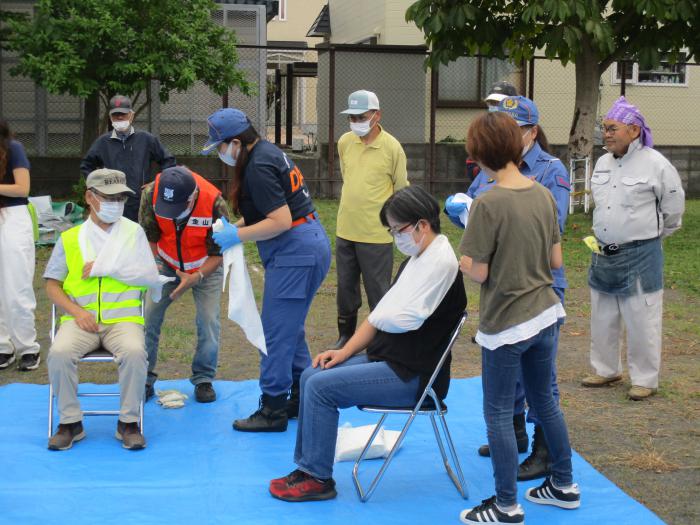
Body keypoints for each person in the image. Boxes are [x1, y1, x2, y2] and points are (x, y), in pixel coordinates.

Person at [268, 185, 466, 502]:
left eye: (397, 230)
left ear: (422, 226)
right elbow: (379, 316)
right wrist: (344, 351)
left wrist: (378, 321)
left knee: (320, 388)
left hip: (414, 378)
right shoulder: (418, 259)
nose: (395, 238)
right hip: (391, 362)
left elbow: (399, 318)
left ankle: (319, 479)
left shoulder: (441, 265)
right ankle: (307, 468)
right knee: (310, 374)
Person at [459, 112, 579, 525]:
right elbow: (556, 259)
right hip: (546, 313)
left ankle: (506, 504)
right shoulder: (542, 192)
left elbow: (478, 271)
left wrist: (458, 257)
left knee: (496, 412)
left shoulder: (488, 202)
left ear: (478, 154)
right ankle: (564, 485)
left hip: (507, 322)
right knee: (545, 402)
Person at [204, 108, 331, 432]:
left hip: (295, 251)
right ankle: (302, 395)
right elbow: (270, 209)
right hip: (304, 245)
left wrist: (237, 235)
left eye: (219, 147)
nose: (220, 154)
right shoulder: (267, 153)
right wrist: (236, 226)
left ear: (235, 142)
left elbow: (280, 221)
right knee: (289, 329)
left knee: (274, 334)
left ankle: (272, 408)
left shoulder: (258, 165)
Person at [582, 96, 685, 400]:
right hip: (602, 251)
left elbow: (673, 209)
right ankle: (605, 369)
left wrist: (649, 236)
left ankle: (645, 379)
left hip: (641, 253)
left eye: (613, 128)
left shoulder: (656, 164)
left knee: (642, 317)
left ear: (634, 131)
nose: (607, 134)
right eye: (605, 128)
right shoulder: (601, 163)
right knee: (602, 314)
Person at [45, 169, 153, 451]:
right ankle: (70, 423)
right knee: (59, 352)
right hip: (80, 319)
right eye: (109, 197)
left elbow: (147, 275)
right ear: (89, 198)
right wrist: (77, 312)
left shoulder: (134, 233)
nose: (115, 203)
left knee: (134, 352)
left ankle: (128, 422)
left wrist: (112, 267)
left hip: (123, 319)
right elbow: (52, 285)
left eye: (120, 197)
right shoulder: (70, 238)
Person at [139, 165, 229, 403]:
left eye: (176, 209)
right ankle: (144, 377)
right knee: (148, 316)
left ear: (192, 197)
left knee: (209, 321)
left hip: (204, 266)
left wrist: (197, 276)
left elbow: (218, 253)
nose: (170, 214)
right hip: (166, 262)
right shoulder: (150, 194)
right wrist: (156, 265)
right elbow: (149, 236)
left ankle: (203, 379)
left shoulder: (215, 204)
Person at [334, 90, 409, 349]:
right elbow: (347, 176)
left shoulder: (392, 147)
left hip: (376, 234)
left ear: (377, 115)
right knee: (345, 289)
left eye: (361, 116)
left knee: (378, 291)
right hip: (346, 229)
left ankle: (381, 340)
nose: (355, 122)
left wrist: (396, 226)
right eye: (351, 117)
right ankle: (346, 335)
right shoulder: (345, 142)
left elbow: (401, 190)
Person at [81, 94, 176, 222]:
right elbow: (87, 165)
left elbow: (168, 161)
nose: (120, 117)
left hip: (141, 202)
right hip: (113, 201)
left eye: (123, 114)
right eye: (116, 115)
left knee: (140, 236)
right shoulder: (103, 143)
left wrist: (157, 184)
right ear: (110, 117)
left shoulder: (146, 139)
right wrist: (98, 188)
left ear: (131, 115)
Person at [0, 118, 41, 371]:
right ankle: (4, 346)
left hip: (13, 218)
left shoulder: (13, 148)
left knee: (17, 286)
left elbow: (22, 188)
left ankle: (28, 347)